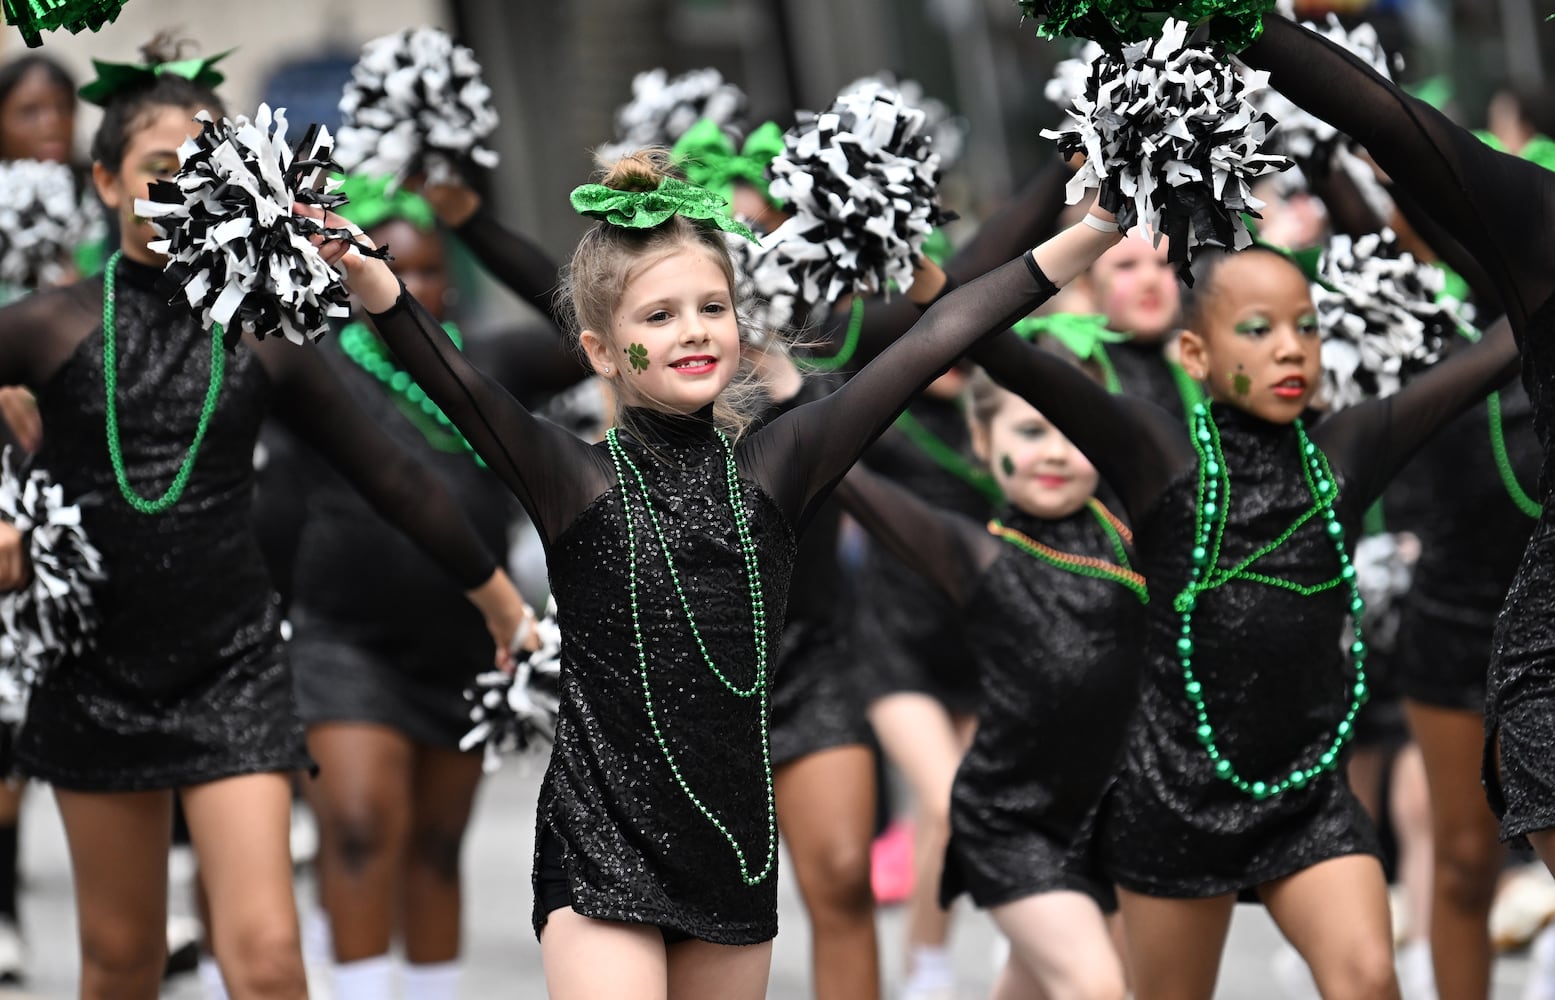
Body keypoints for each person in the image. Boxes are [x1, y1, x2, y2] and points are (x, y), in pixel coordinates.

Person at [322, 148, 1123, 998]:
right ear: (600, 350)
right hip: (600, 843)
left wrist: (1095, 230)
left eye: (711, 307)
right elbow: (456, 384)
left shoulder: (784, 463)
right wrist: (376, 285)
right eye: (658, 316)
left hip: (731, 850)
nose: (694, 330)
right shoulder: (571, 478)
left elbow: (939, 336)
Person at [0, 41, 529, 1000]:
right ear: (107, 179)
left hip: (232, 670)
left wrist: (498, 603)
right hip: (93, 670)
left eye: (200, 167)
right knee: (121, 962)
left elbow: (395, 480)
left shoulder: (262, 333)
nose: (178, 188)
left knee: (271, 962)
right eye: (157, 169)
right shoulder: (46, 326)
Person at [960, 239, 1518, 999]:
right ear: (1194, 352)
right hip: (1174, 800)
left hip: (1308, 798)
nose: (1290, 348)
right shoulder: (1159, 457)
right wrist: (1061, 240)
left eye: (1306, 327)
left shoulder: (1349, 449)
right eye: (1257, 329)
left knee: (1367, 979)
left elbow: (1493, 352)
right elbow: (999, 350)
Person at [1237, 0, 1555, 900]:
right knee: (1459, 865)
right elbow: (1389, 125)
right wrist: (1222, 15)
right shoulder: (1537, 228)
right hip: (1530, 641)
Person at [278, 177, 558, 1000]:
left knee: (435, 849)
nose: (422, 287)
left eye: (438, 269)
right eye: (405, 265)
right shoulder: (316, 357)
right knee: (362, 830)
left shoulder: (488, 363)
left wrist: (484, 228)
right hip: (345, 642)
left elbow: (591, 325)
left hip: (464, 646)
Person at [836, 358, 1142, 1000]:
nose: (1057, 452)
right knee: (1097, 986)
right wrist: (785, 395)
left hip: (1091, 809)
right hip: (991, 790)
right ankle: (927, 967)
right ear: (984, 441)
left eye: (1075, 432)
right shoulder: (974, 546)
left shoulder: (1129, 536)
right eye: (1032, 433)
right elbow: (843, 470)